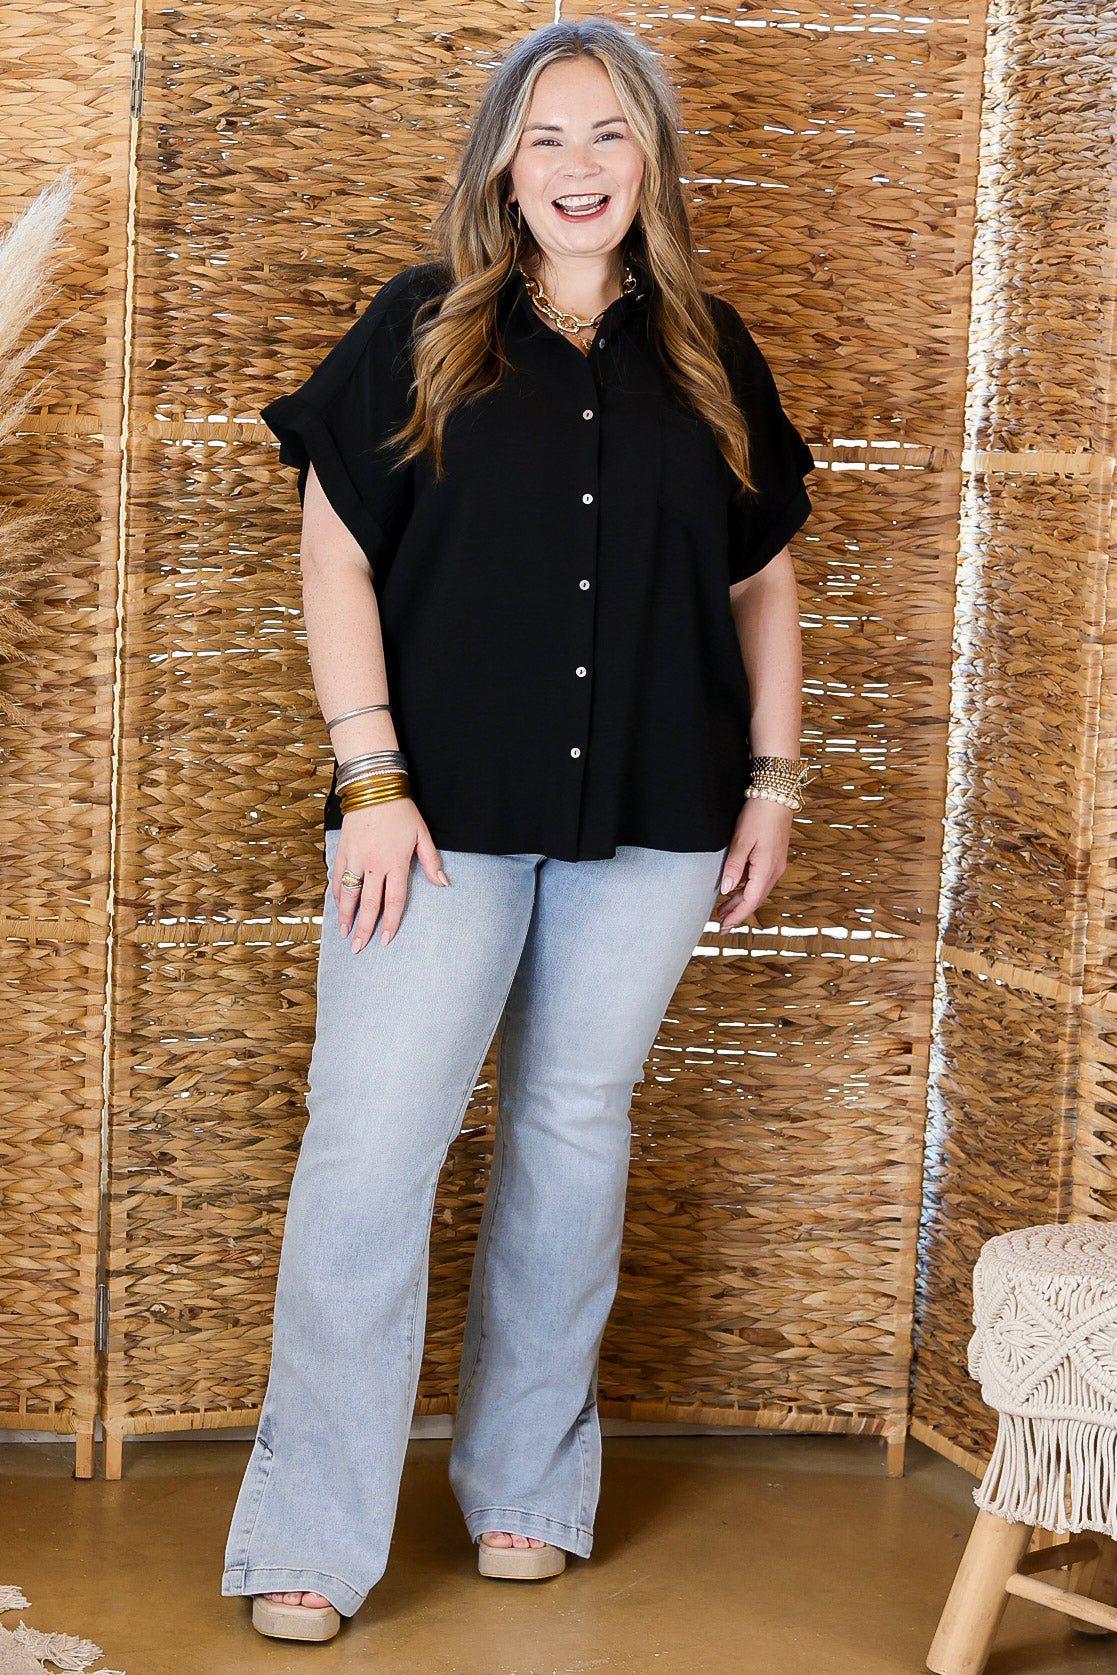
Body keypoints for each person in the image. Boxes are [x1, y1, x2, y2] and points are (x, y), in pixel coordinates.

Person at [221, 14, 815, 1644]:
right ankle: (311, 1535)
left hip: (655, 813)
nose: (577, 164)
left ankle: (525, 1494)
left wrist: (770, 782)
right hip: (434, 818)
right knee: (371, 1151)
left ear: (650, 164)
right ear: (500, 164)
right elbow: (334, 553)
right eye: (545, 135)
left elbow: (760, 583)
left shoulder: (709, 349)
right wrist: (369, 780)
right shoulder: (419, 328)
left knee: (569, 1135)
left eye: (608, 133)